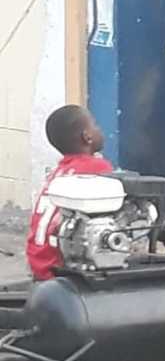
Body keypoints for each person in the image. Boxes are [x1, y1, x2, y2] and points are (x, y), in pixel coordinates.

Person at [27, 105, 112, 281]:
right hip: (61, 269)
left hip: (39, 264)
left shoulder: (58, 172)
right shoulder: (97, 168)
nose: (99, 129)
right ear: (87, 137)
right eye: (95, 125)